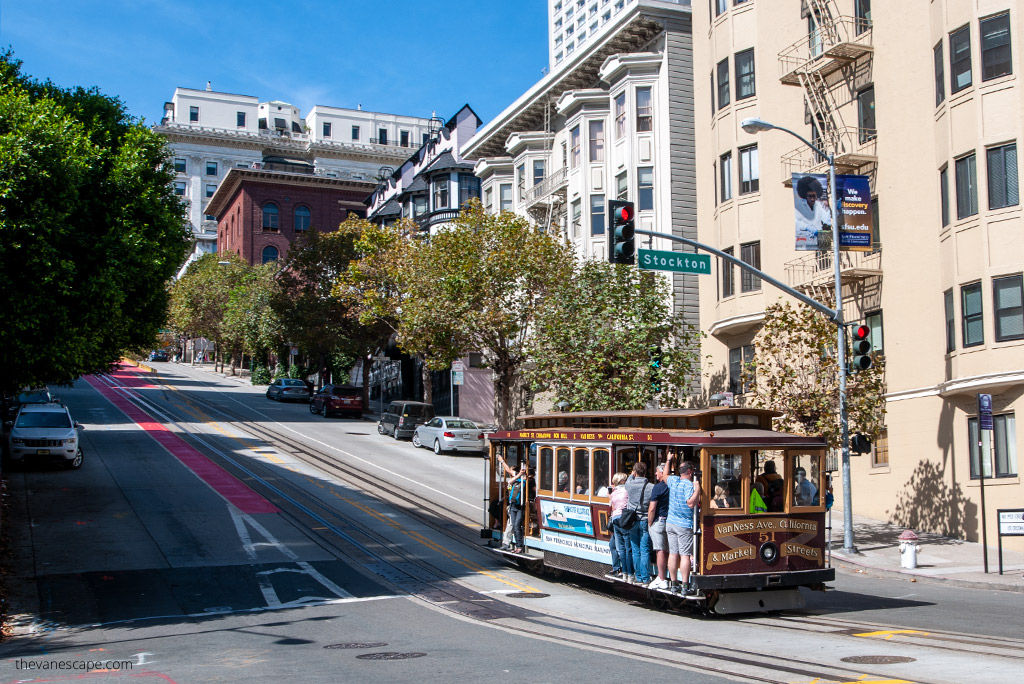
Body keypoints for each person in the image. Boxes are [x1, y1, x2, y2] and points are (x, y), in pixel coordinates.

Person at [664, 455, 701, 594]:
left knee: (673, 553)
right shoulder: (688, 485)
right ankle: (685, 586)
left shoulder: (673, 481)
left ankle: (674, 584)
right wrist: (697, 488)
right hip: (684, 524)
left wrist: (668, 460)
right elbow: (690, 503)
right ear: (690, 472)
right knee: (685, 555)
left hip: (671, 522)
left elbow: (665, 475)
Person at [624, 462, 652, 585]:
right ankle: (645, 578)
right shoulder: (651, 487)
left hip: (633, 520)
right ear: (646, 473)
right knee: (644, 549)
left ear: (635, 473)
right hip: (645, 520)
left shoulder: (629, 484)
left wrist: (632, 475)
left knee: (636, 549)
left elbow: (628, 479)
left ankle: (638, 576)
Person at [646, 463, 671, 590]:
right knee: (670, 550)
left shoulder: (658, 487)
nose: (655, 474)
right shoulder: (674, 485)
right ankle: (672, 577)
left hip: (659, 522)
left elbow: (652, 508)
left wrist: (650, 523)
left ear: (662, 473)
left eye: (657, 472)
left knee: (660, 550)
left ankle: (662, 578)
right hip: (671, 521)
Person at [794, 174, 832, 251]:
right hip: (805, 239)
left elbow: (827, 219)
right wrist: (808, 227)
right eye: (809, 196)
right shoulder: (799, 205)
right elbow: (797, 221)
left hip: (820, 239)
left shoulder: (820, 205)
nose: (812, 199)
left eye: (814, 196)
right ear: (805, 196)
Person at [605, 473, 632, 580]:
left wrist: (610, 495)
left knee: (619, 547)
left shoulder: (614, 492)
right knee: (626, 547)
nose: (626, 482)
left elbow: (612, 506)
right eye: (625, 480)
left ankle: (621, 570)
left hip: (616, 519)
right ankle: (626, 572)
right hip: (624, 519)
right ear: (621, 481)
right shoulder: (626, 490)